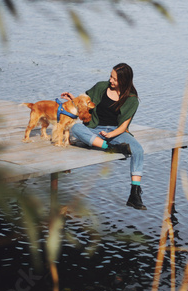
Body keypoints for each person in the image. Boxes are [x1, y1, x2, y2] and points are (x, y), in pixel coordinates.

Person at [61, 63, 146, 210]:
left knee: (138, 150)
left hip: (115, 131)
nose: (111, 81)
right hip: (94, 129)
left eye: (114, 79)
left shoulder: (132, 99)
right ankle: (108, 147)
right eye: (110, 76)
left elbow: (124, 127)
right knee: (75, 127)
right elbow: (85, 104)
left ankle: (135, 193)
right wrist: (73, 99)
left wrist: (110, 134)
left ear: (124, 81)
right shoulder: (101, 87)